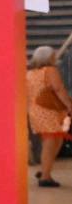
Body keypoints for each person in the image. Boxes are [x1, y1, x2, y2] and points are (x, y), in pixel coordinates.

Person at [28, 45, 72, 187]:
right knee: (51, 142)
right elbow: (58, 89)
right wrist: (69, 105)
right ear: (49, 57)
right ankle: (45, 177)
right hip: (49, 111)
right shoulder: (50, 70)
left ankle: (44, 169)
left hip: (36, 110)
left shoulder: (30, 73)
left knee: (54, 140)